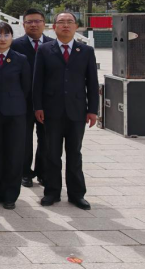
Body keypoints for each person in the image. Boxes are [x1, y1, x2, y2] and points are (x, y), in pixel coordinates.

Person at [34, 12, 98, 210]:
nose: (66, 25)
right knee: (52, 154)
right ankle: (52, 192)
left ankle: (77, 194)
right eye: (61, 22)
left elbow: (92, 83)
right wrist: (38, 106)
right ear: (54, 27)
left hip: (77, 111)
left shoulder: (86, 51)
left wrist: (92, 110)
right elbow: (38, 81)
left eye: (70, 22)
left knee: (74, 153)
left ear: (76, 26)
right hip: (51, 111)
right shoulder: (45, 50)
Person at [0, 22, 31, 210]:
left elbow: (26, 87)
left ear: (11, 37)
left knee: (14, 155)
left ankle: (11, 195)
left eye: (6, 35)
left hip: (15, 114)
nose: (2, 39)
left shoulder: (21, 59)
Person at [12, 8, 53, 188]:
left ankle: (43, 172)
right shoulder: (15, 45)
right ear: (24, 25)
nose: (34, 25)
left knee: (46, 138)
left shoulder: (53, 44)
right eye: (29, 22)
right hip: (24, 100)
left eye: (37, 21)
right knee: (24, 139)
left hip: (47, 100)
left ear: (44, 24)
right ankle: (25, 173)